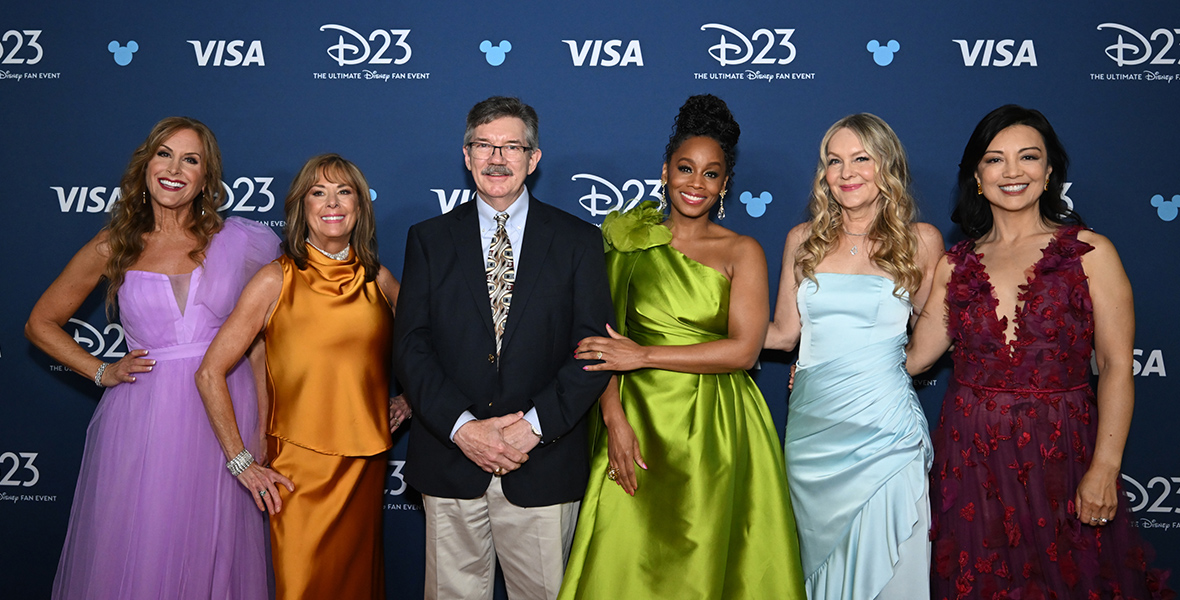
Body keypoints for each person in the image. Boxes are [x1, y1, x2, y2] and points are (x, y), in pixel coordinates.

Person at [907, 105, 1174, 600]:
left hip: (1063, 453)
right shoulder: (955, 263)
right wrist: (826, 368)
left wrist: (1105, 469)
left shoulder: (1090, 253)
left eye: (1028, 157)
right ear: (976, 175)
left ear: (1049, 172)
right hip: (971, 459)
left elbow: (1117, 366)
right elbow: (915, 360)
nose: (1012, 172)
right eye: (995, 160)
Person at [558, 94, 806, 599]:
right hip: (634, 418)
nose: (696, 183)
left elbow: (742, 351)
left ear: (725, 184)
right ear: (665, 170)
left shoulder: (743, 250)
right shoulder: (628, 239)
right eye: (685, 168)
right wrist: (612, 419)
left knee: (706, 557)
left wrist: (643, 355)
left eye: (711, 174)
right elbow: (600, 344)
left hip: (716, 425)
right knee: (623, 562)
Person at [25, 117, 278, 599]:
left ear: (207, 177)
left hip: (226, 414)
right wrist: (100, 370)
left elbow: (261, 344)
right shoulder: (114, 245)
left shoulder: (244, 241)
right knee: (145, 546)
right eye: (164, 154)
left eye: (191, 159)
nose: (174, 169)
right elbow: (40, 322)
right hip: (146, 419)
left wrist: (263, 424)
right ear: (145, 165)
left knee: (219, 548)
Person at [393, 96, 614, 600]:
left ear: (533, 159)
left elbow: (593, 350)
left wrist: (530, 428)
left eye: (511, 146)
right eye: (484, 145)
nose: (497, 158)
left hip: (541, 463)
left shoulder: (578, 240)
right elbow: (411, 347)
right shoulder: (428, 239)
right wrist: (463, 429)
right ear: (466, 155)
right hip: (452, 460)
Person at [196, 154, 406, 600]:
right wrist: (241, 462)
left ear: (360, 207)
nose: (332, 202)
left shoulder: (379, 280)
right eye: (318, 192)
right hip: (296, 470)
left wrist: (407, 401)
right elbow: (209, 372)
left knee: (358, 586)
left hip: (365, 463)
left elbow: (427, 353)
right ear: (301, 207)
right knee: (303, 586)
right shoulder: (275, 280)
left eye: (344, 191)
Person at [765, 113, 944, 600]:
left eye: (861, 159)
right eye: (834, 161)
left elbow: (931, 341)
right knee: (816, 568)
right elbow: (783, 334)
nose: (846, 172)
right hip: (813, 436)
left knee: (895, 576)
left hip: (887, 434)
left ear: (887, 165)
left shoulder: (921, 241)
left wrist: (868, 375)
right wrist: (692, 330)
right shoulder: (802, 240)